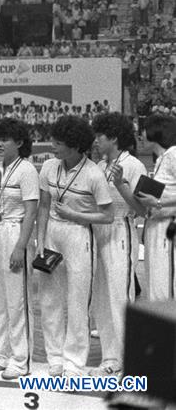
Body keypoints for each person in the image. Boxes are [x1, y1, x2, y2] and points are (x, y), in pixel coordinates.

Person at [36, 116, 114, 376]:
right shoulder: (48, 166)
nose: (52, 146)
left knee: (78, 302)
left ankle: (74, 363)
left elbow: (108, 215)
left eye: (58, 143)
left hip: (79, 235)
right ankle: (55, 358)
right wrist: (40, 240)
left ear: (75, 145)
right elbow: (44, 206)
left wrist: (75, 216)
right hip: (51, 235)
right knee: (49, 300)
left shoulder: (94, 174)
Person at [0, 118, 40, 380]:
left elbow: (31, 212)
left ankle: (20, 358)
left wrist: (20, 246)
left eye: (5, 139)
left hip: (15, 231)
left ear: (18, 142)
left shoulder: (27, 170)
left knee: (17, 301)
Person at [91, 112, 145, 377]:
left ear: (113, 137)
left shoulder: (135, 165)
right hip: (98, 233)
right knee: (101, 301)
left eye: (100, 136)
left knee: (120, 299)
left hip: (122, 231)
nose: (96, 141)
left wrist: (121, 185)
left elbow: (145, 209)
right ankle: (111, 359)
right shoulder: (98, 166)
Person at [133, 113, 176, 300]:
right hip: (155, 226)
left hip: (169, 227)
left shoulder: (173, 155)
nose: (140, 135)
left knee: (166, 285)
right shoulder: (160, 160)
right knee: (155, 284)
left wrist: (158, 202)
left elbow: (160, 200)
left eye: (143, 129)